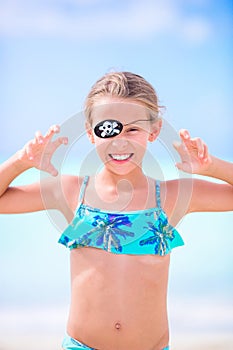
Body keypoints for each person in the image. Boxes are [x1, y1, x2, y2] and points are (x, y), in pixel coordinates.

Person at [0, 72, 232, 350]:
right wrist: (20, 162)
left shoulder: (170, 196)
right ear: (90, 133)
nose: (120, 141)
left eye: (133, 129)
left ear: (154, 131)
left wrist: (212, 166)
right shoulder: (73, 192)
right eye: (108, 129)